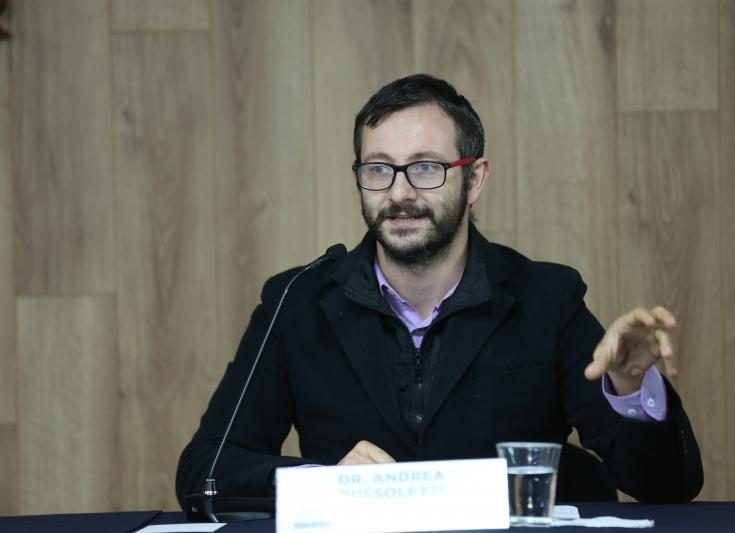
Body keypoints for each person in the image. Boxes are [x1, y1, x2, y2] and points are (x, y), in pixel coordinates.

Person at [176, 74, 703, 506]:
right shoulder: (297, 301)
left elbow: (668, 487)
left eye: (426, 167)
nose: (399, 192)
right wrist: (324, 482)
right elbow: (205, 471)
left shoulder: (548, 298)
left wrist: (631, 387)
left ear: (474, 180)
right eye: (379, 169)